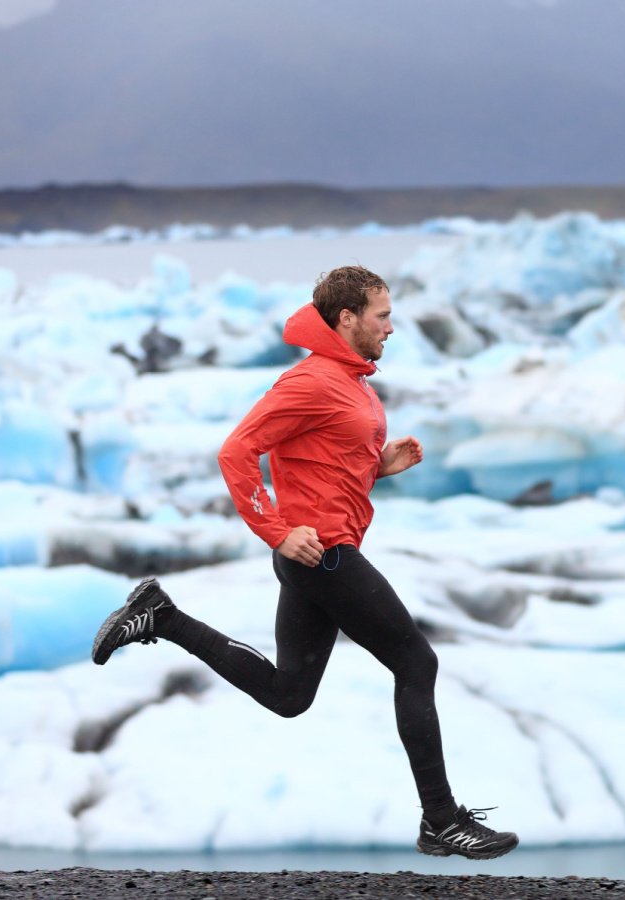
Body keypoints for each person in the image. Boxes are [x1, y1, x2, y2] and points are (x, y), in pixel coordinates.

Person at [89, 265, 518, 860]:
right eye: (382, 315)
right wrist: (275, 530)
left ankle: (161, 617)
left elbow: (320, 459)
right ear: (347, 318)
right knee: (417, 662)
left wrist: (377, 466)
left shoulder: (351, 381)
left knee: (289, 695)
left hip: (319, 552)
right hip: (323, 555)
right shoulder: (311, 381)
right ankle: (441, 820)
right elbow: (237, 451)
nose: (391, 327)